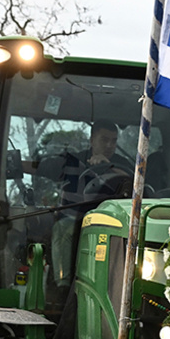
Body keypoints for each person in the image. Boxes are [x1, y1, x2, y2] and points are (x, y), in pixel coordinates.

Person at [38, 120, 133, 283]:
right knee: (62, 228)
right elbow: (39, 167)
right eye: (105, 140)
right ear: (91, 140)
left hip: (115, 223)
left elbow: (136, 185)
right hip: (76, 220)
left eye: (114, 140)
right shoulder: (73, 161)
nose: (110, 145)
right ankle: (63, 283)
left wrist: (108, 167)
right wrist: (14, 165)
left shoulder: (123, 165)